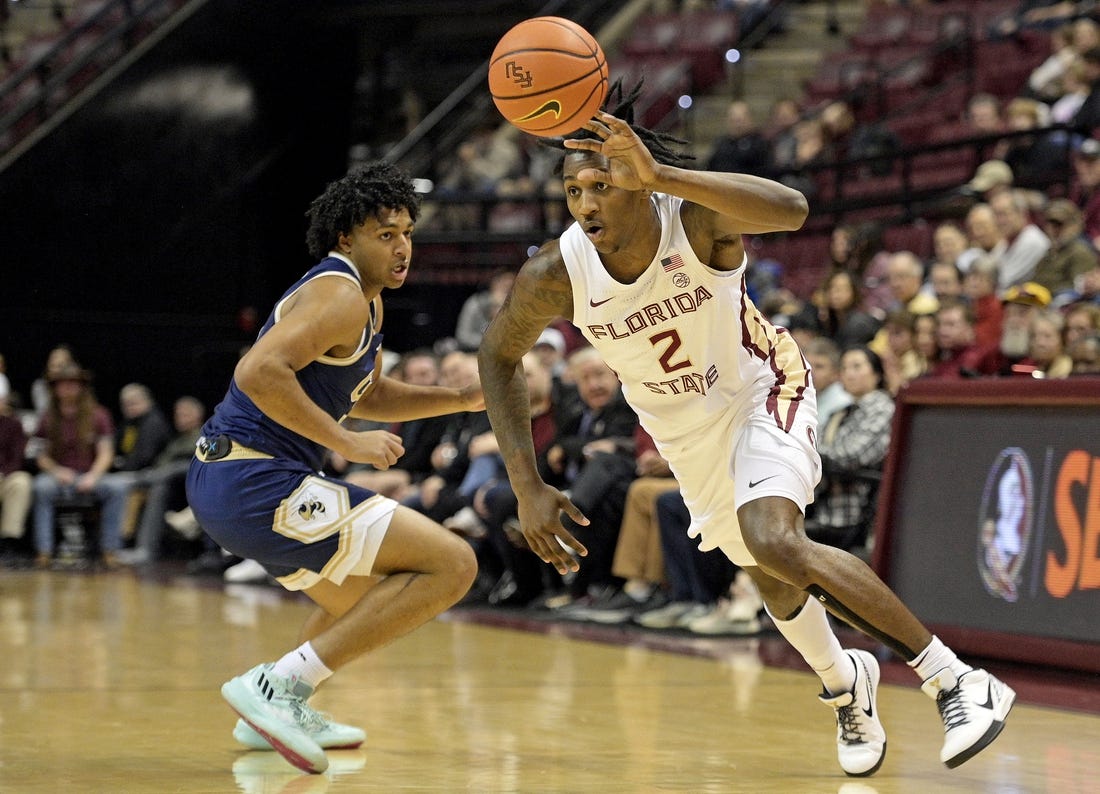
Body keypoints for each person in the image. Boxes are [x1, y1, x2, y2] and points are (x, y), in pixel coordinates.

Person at [476, 83, 1015, 778]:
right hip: (685, 434)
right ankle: (846, 683)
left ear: (636, 179)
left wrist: (664, 174)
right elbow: (498, 355)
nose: (585, 204)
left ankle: (955, 680)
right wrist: (527, 484)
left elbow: (793, 210)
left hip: (764, 389)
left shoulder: (693, 220)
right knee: (769, 570)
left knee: (772, 536)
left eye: (601, 185)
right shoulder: (558, 273)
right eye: (573, 191)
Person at [185, 162, 479, 774]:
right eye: (386, 234)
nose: (403, 249)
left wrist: (462, 399)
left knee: (370, 601)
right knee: (453, 563)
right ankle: (278, 687)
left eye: (407, 234)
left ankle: (271, 710)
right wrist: (346, 442)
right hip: (254, 477)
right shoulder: (341, 293)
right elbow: (257, 372)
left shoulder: (364, 304)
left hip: (235, 480)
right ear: (346, 237)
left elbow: (365, 393)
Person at [31, 364, 127, 568]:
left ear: (82, 387)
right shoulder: (47, 417)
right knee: (41, 487)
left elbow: (106, 452)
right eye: (62, 384)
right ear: (55, 388)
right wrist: (57, 471)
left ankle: (110, 550)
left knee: (118, 487)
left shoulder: (99, 414)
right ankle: (44, 551)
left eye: (73, 384)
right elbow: (41, 456)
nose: (67, 388)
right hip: (60, 476)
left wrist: (93, 475)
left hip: (90, 475)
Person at [115, 396, 206, 565]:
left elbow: (201, 463)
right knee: (129, 488)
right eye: (178, 414)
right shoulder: (176, 440)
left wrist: (161, 472)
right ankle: (119, 544)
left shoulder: (204, 436)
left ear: (197, 416)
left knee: (161, 480)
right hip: (161, 480)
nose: (180, 418)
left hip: (187, 486)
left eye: (186, 414)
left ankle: (146, 550)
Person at [0, 391, 31, 559]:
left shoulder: (13, 425)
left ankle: (8, 541)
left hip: (4, 476)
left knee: (21, 482)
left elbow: (17, 458)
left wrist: (3, 473)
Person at [453, 268, 515, 352]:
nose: (507, 292)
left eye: (511, 288)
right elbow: (463, 337)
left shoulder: (516, 308)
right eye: (505, 286)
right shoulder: (475, 303)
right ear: (494, 284)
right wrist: (491, 342)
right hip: (474, 353)